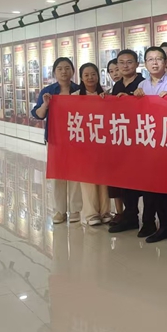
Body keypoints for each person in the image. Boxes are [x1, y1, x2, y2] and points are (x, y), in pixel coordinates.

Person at [134, 46, 167, 243]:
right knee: (156, 188)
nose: (155, 63)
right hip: (150, 144)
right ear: (145, 64)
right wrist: (133, 99)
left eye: (158, 59)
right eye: (150, 59)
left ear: (166, 62)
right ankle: (163, 226)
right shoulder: (142, 86)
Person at [32, 57, 81, 224]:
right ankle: (60, 210)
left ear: (72, 71)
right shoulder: (48, 91)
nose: (64, 71)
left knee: (75, 174)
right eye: (60, 68)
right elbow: (38, 115)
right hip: (55, 139)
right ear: (54, 72)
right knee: (58, 174)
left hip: (76, 138)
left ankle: (75, 210)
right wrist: (45, 105)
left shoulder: (79, 90)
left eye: (67, 68)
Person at [108, 49, 147, 234]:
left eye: (129, 62)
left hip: (141, 139)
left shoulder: (143, 84)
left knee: (142, 182)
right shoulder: (117, 86)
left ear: (137, 64)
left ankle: (148, 220)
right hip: (122, 139)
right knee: (125, 180)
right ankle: (130, 217)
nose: (125, 66)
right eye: (121, 63)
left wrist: (134, 99)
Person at [72, 62, 111, 226]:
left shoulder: (106, 95)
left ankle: (105, 211)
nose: (90, 78)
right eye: (86, 75)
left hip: (102, 143)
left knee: (104, 179)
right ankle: (91, 214)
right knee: (87, 179)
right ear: (81, 78)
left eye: (93, 74)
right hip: (84, 144)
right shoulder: (75, 96)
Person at [105, 57, 126, 225]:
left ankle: (130, 212)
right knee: (114, 179)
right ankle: (119, 212)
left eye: (116, 69)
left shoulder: (140, 84)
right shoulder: (112, 90)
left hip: (132, 138)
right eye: (111, 71)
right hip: (115, 138)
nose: (115, 74)